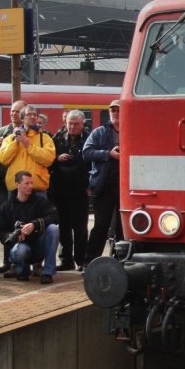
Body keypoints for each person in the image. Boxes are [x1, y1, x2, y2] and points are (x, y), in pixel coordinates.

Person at [0, 171, 59, 284]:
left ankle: (48, 272)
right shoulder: (6, 207)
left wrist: (34, 225)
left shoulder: (40, 201)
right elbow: (1, 233)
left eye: (32, 183)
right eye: (26, 183)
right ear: (17, 184)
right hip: (20, 247)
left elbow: (54, 216)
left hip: (38, 245)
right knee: (21, 250)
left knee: (53, 229)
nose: (30, 186)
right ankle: (21, 270)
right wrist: (14, 236)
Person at [50, 110, 90, 271]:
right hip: (60, 189)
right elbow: (47, 160)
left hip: (80, 189)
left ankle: (81, 259)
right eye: (70, 123)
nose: (72, 127)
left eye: (76, 124)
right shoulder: (57, 139)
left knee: (80, 227)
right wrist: (56, 159)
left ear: (82, 124)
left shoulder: (89, 139)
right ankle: (66, 259)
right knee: (63, 226)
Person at [83, 99, 121, 265]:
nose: (115, 113)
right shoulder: (99, 132)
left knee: (122, 228)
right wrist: (108, 154)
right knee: (101, 226)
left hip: (125, 187)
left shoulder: (133, 129)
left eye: (118, 110)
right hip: (103, 186)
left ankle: (120, 261)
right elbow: (87, 152)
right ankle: (90, 261)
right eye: (112, 110)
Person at [0, 100, 26, 272]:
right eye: (12, 111)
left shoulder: (29, 132)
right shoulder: (1, 132)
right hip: (2, 183)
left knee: (18, 222)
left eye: (17, 111)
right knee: (5, 222)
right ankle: (7, 261)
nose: (13, 114)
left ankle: (19, 260)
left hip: (19, 184)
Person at [0, 105, 55, 198]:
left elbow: (49, 159)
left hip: (37, 187)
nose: (32, 117)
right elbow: (2, 159)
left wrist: (28, 146)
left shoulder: (45, 138)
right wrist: (16, 142)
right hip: (16, 187)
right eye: (28, 114)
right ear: (22, 118)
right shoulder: (11, 138)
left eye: (34, 115)